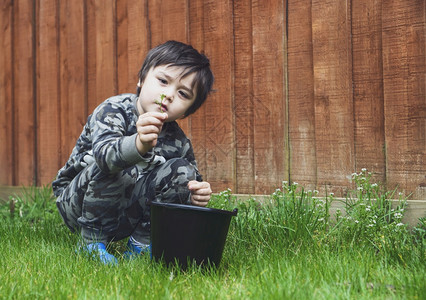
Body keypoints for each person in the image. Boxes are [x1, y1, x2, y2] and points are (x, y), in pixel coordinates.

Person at [52, 40, 214, 265]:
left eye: (183, 94)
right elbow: (105, 158)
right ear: (141, 79)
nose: (168, 95)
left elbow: (189, 181)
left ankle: (141, 244)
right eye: (163, 81)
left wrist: (198, 193)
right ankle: (90, 243)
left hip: (126, 209)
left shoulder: (177, 140)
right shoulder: (113, 110)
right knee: (120, 162)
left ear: (187, 112)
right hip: (78, 202)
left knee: (181, 172)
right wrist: (138, 145)